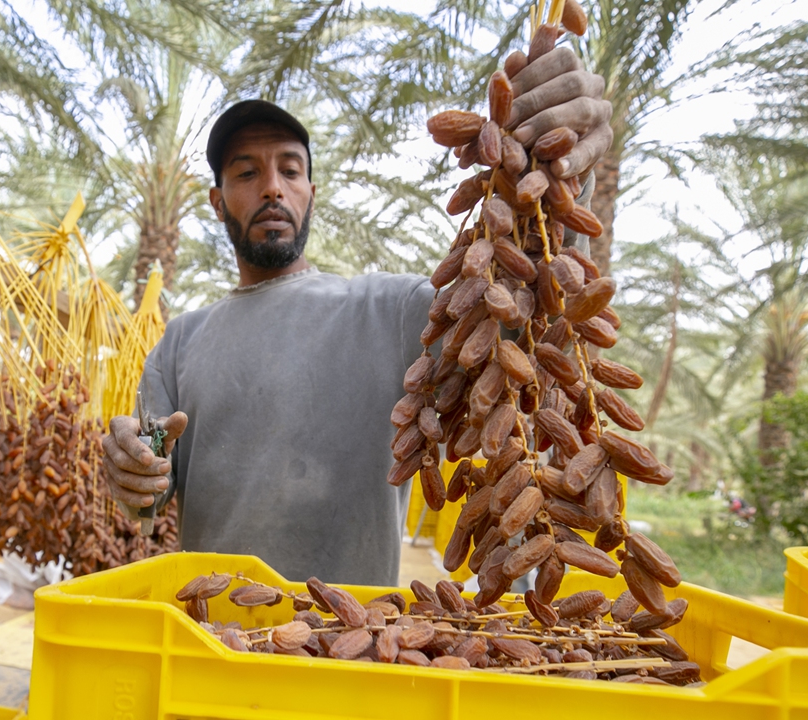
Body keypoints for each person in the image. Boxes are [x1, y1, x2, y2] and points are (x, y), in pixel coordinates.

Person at [102, 47, 613, 586]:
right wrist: (131, 469)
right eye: (247, 172)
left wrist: (557, 177)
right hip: (213, 642)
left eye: (289, 170)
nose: (272, 186)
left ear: (311, 194)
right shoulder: (179, 342)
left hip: (358, 650)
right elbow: (147, 496)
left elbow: (523, 321)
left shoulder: (394, 310)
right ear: (217, 200)